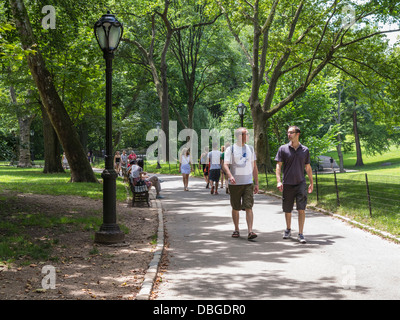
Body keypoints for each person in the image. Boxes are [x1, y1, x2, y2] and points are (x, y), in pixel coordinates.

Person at [275, 125, 313, 244]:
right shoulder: (283, 149)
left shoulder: (305, 150)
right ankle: (288, 229)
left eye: (291, 132)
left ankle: (301, 234)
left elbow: (307, 167)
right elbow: (278, 165)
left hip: (300, 183)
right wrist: (278, 181)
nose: (289, 135)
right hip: (287, 183)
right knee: (287, 209)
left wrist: (311, 182)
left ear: (297, 134)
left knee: (301, 209)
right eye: (288, 133)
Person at [223, 127, 259, 240]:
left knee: (249, 206)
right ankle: (236, 229)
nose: (248, 136)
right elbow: (225, 165)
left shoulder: (251, 149)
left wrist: (256, 182)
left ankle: (250, 231)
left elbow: (254, 167)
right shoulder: (231, 149)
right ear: (240, 136)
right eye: (246, 134)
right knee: (236, 207)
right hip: (235, 184)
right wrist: (230, 176)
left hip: (248, 183)